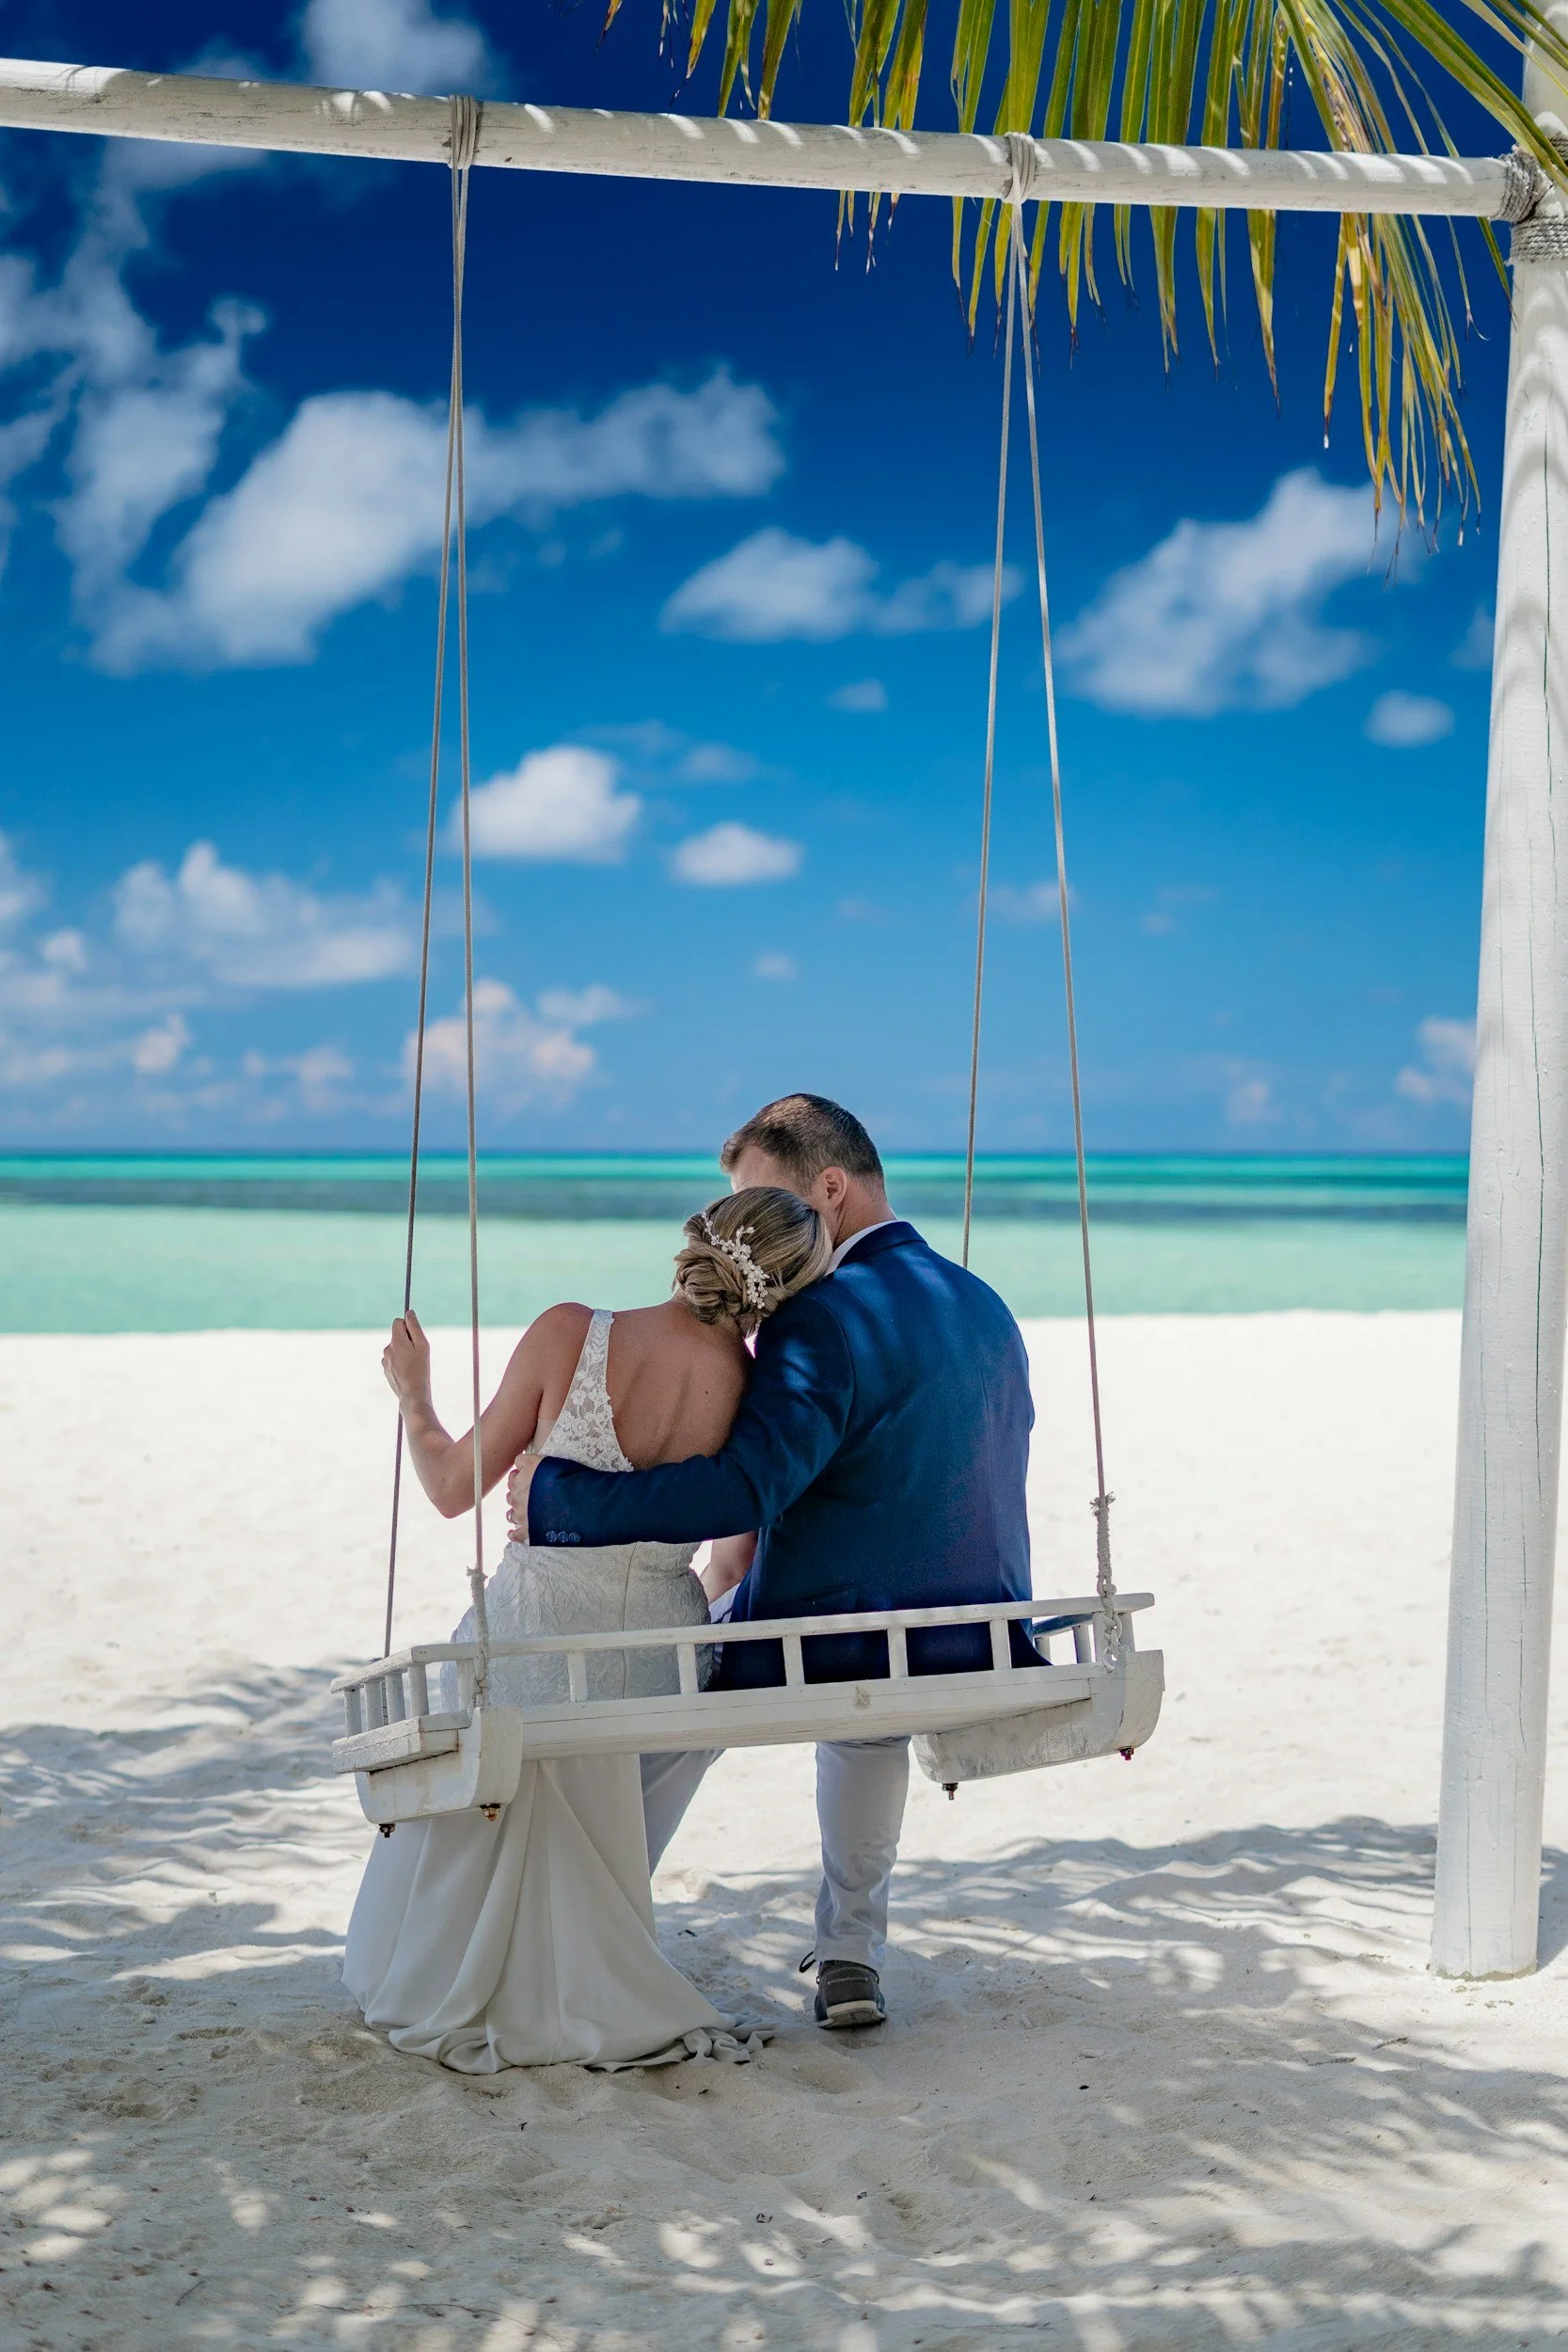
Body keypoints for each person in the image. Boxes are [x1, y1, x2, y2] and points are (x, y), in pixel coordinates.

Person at [508, 1093, 1035, 2032]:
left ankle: (587, 1920)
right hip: (974, 1632)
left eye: (764, 1205)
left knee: (675, 1682)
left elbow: (742, 1489)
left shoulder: (820, 1318)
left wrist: (561, 1500)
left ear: (828, 1190)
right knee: (867, 1722)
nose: (752, 1240)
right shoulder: (983, 1302)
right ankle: (849, 1951)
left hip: (834, 1636)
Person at [342, 1184, 832, 2071]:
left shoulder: (571, 1330)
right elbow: (727, 1565)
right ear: (784, 1294)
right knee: (604, 1812)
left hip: (536, 1627)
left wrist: (415, 1397)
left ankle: (475, 1978)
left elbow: (453, 1488)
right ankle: (582, 1975)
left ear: (694, 1242)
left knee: (495, 1778)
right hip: (658, 1648)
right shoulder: (756, 1396)